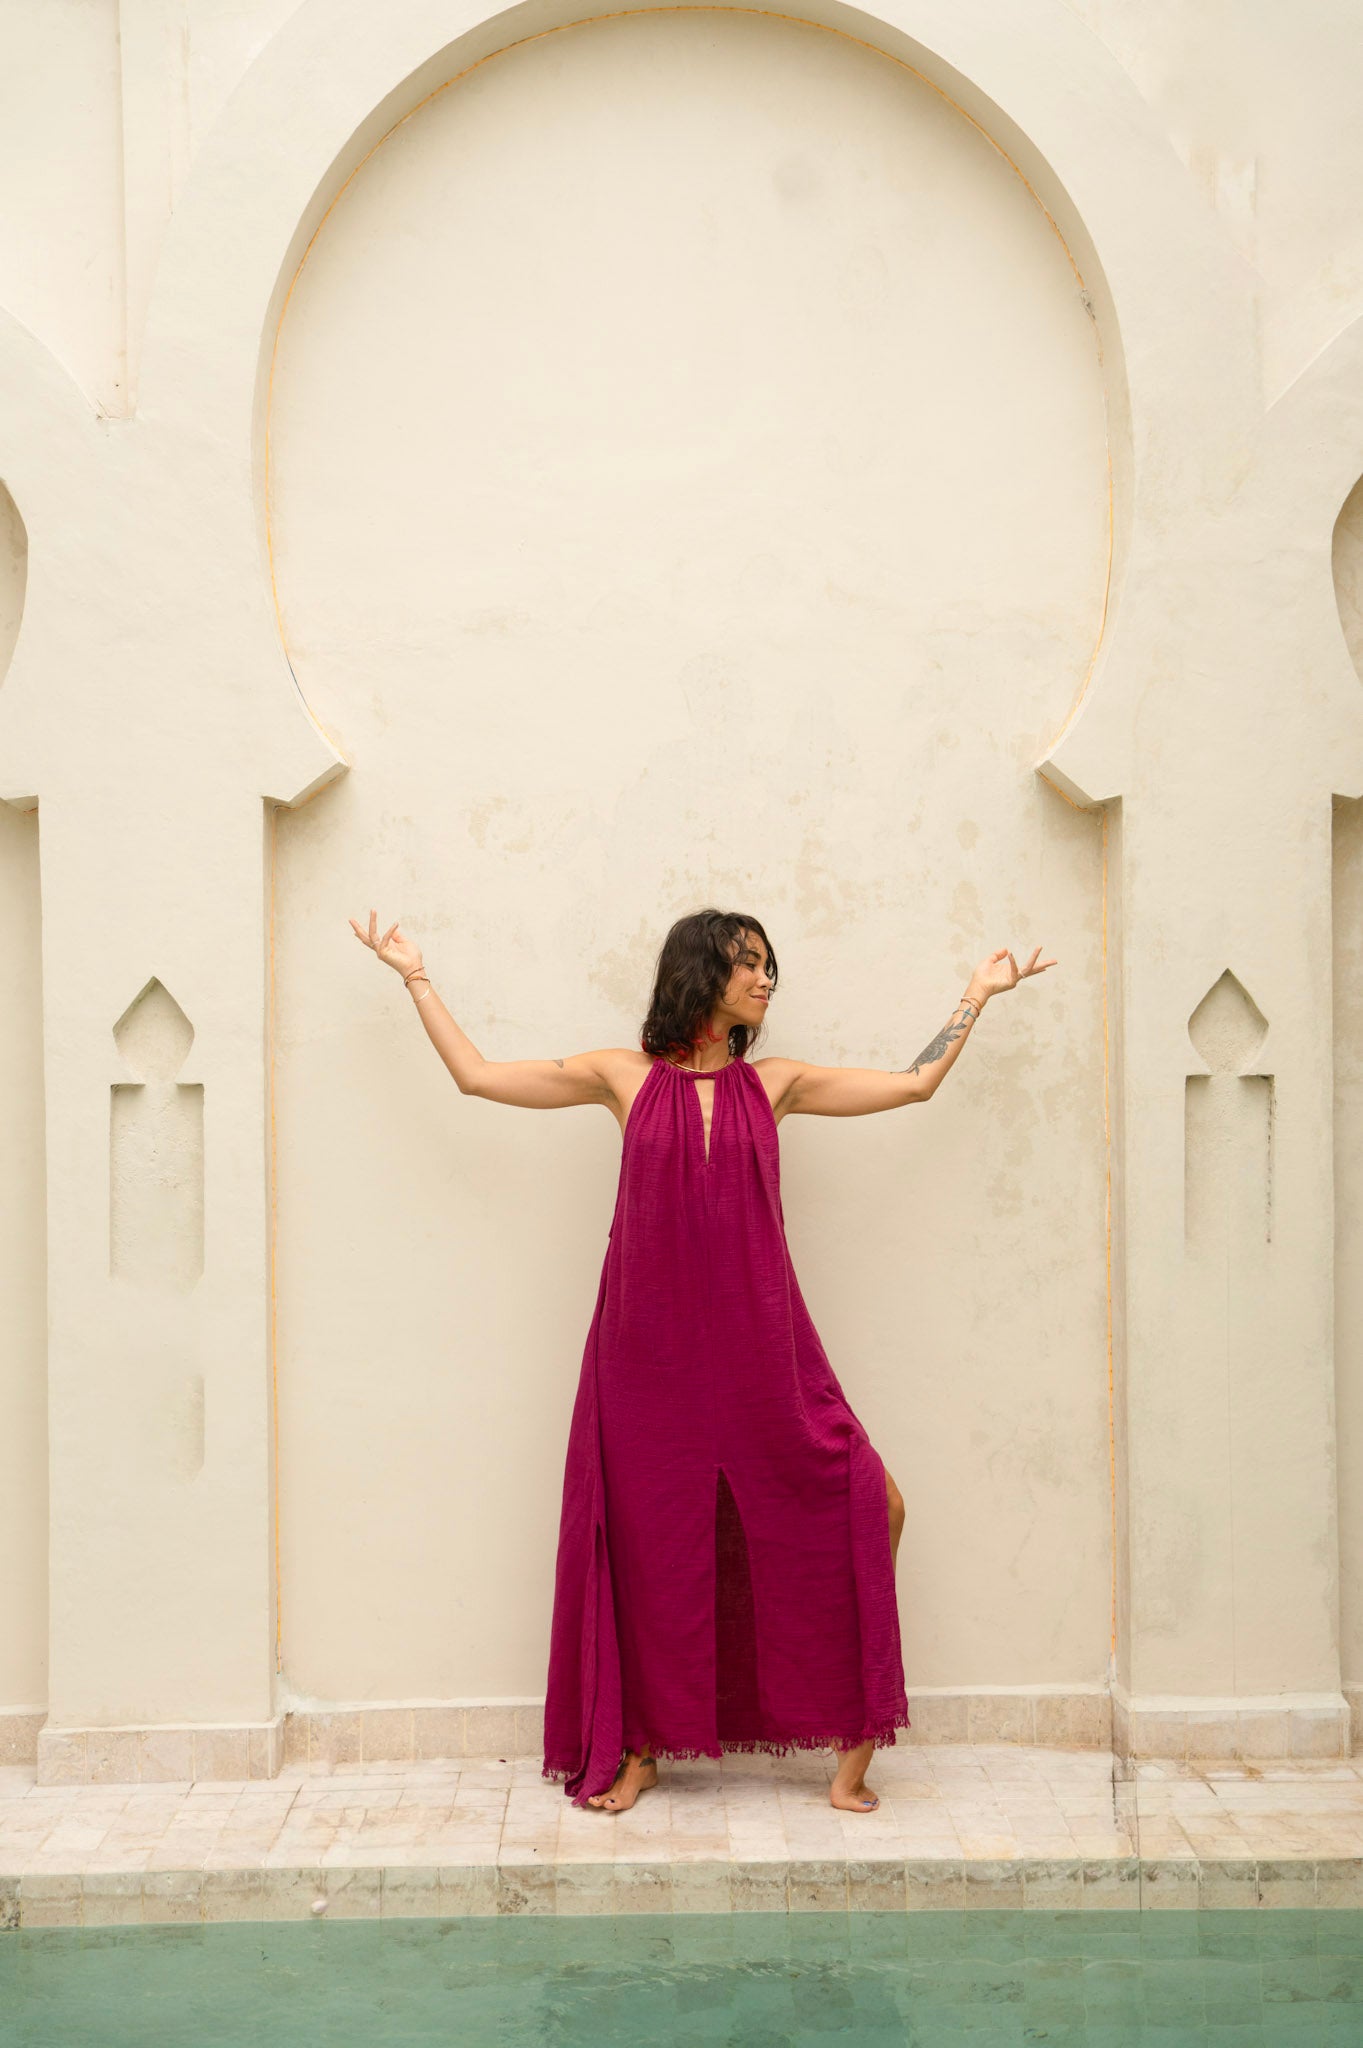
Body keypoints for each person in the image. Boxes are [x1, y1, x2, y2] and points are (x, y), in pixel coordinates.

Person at [351, 905, 1055, 1814]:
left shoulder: (780, 1083)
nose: (765, 980)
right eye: (748, 964)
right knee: (654, 1545)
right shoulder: (620, 1075)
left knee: (870, 1501)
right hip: (646, 1356)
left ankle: (853, 1743)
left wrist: (976, 996)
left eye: (769, 966)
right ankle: (642, 1749)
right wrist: (414, 974)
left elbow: (912, 1085)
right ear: (702, 972)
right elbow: (477, 1077)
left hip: (766, 1349)